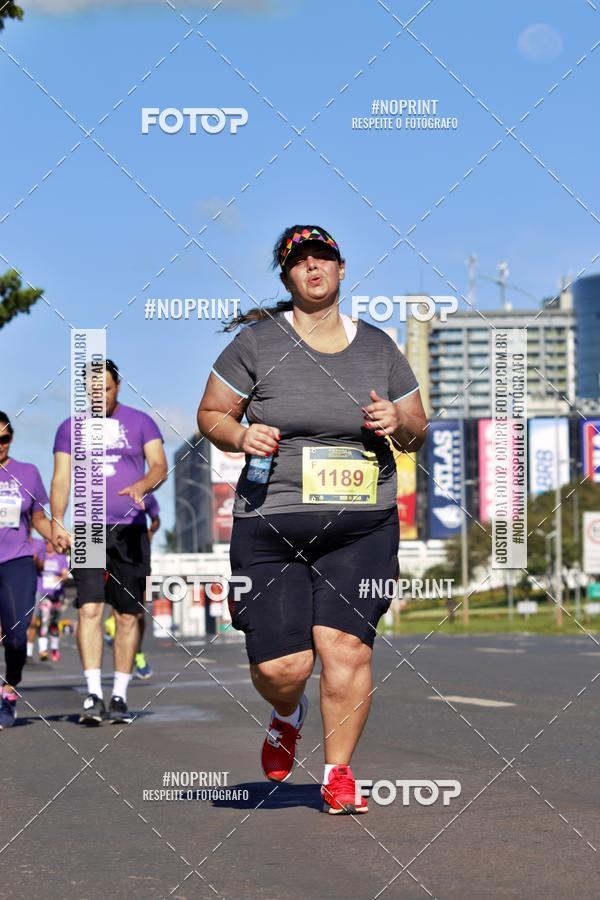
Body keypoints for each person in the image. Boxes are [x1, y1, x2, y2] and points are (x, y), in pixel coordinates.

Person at [197, 225, 428, 814]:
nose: (314, 267)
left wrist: (396, 423)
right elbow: (212, 413)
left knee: (345, 647)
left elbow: (417, 429)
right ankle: (285, 714)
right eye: (300, 261)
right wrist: (240, 435)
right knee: (284, 666)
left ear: (341, 268)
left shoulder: (377, 346)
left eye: (323, 257)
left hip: (361, 525)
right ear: (287, 277)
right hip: (271, 522)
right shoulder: (255, 344)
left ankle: (338, 774)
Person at [51, 360, 167, 725]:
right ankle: (92, 694)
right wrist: (57, 520)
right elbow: (61, 478)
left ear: (119, 386)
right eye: (93, 389)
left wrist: (142, 485)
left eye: (107, 388)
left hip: (131, 529)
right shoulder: (70, 428)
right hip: (88, 528)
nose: (100, 395)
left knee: (128, 615)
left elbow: (159, 466)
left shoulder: (141, 422)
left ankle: (119, 695)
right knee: (89, 608)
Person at [0, 411, 53, 729]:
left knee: (17, 638)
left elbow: (38, 518)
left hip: (17, 561)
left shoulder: (27, 473)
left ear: (11, 439)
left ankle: (9, 689)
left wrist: (57, 536)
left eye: (4, 439)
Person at [105, 492, 159, 679]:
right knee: (114, 607)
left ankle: (137, 651)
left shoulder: (145, 493)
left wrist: (151, 532)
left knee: (138, 613)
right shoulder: (97, 486)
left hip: (136, 551)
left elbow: (156, 519)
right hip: (100, 540)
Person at [35, 540, 69, 662]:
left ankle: (54, 649)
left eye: (50, 542)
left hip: (57, 595)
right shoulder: (40, 555)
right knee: (44, 621)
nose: (48, 545)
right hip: (44, 594)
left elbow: (65, 575)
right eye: (46, 543)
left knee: (54, 623)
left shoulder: (60, 557)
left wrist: (60, 578)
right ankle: (42, 650)